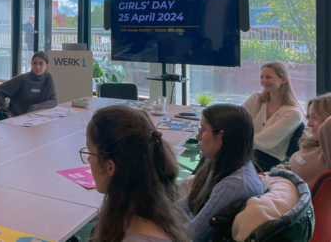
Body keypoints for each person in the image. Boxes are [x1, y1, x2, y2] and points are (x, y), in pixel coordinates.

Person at [84, 105, 190, 242]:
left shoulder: (138, 234)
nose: (88, 159)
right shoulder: (154, 209)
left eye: (90, 152)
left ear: (110, 166)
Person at [177, 104, 263, 242]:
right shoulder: (223, 163)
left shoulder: (233, 185)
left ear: (221, 136)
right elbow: (189, 201)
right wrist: (157, 216)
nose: (198, 136)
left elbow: (193, 236)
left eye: (202, 130)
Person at [241, 62, 304, 171]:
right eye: (261, 77)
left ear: (283, 80)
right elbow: (235, 121)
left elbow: (265, 140)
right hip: (244, 152)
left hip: (265, 161)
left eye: (268, 77)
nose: (263, 81)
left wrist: (231, 143)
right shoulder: (255, 99)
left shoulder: (293, 112)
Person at [276, 92, 331, 188]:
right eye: (309, 117)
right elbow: (301, 170)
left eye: (315, 117)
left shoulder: (327, 154)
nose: (309, 124)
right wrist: (284, 171)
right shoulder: (314, 144)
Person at [0, 51, 57, 116]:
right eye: (34, 63)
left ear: (47, 66)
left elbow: (54, 101)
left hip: (36, 117)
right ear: (31, 64)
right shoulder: (22, 79)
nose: (37, 67)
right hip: (17, 118)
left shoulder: (48, 78)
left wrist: (34, 108)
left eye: (41, 64)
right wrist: (5, 112)